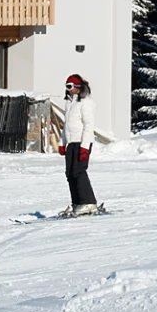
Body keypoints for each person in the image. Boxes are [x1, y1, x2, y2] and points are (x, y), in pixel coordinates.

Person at [56, 74, 101, 217]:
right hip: (71, 142)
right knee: (69, 174)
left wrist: (84, 147)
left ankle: (88, 203)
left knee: (78, 172)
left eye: (70, 86)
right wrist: (62, 143)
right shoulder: (70, 102)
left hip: (82, 142)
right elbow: (66, 126)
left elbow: (89, 125)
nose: (68, 89)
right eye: (66, 86)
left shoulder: (86, 102)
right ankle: (77, 203)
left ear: (78, 87)